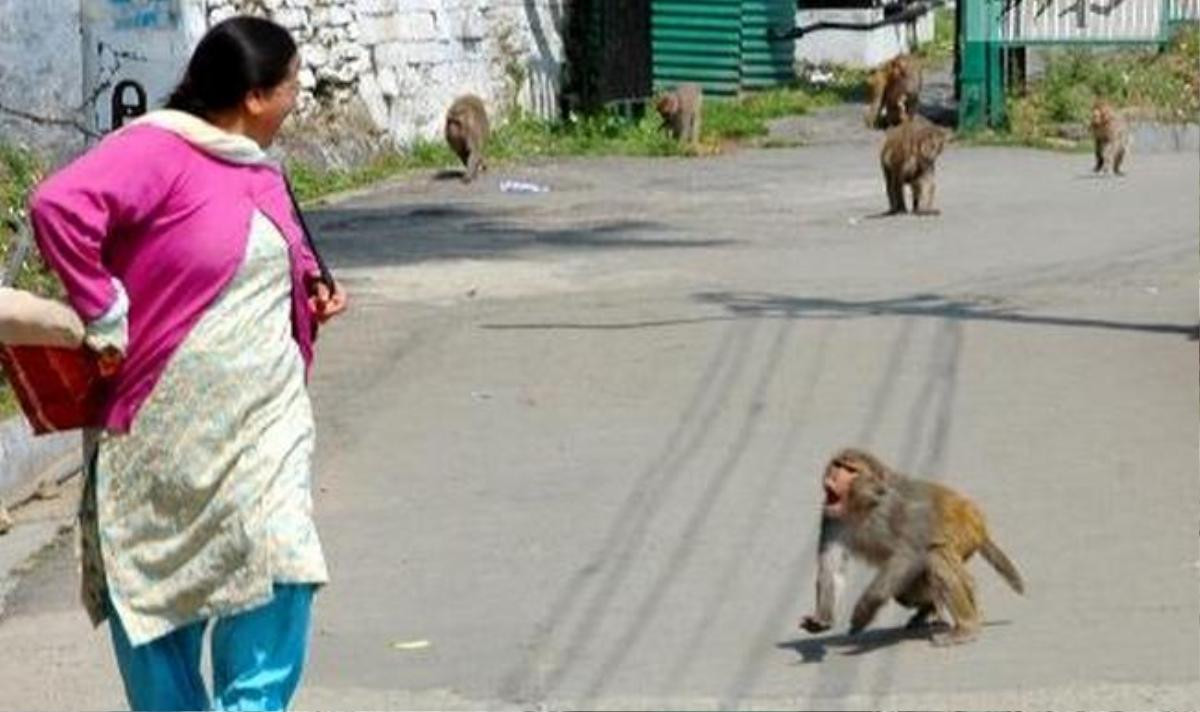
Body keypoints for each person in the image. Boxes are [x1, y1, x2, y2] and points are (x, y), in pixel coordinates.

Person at [28, 15, 346, 711]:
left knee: (281, 560)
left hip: (263, 426)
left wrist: (308, 293)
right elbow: (57, 206)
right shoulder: (159, 151)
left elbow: (256, 258)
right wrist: (102, 304)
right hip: (161, 431)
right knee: (158, 599)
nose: (299, 98)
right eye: (293, 84)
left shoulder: (260, 166)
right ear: (257, 96)